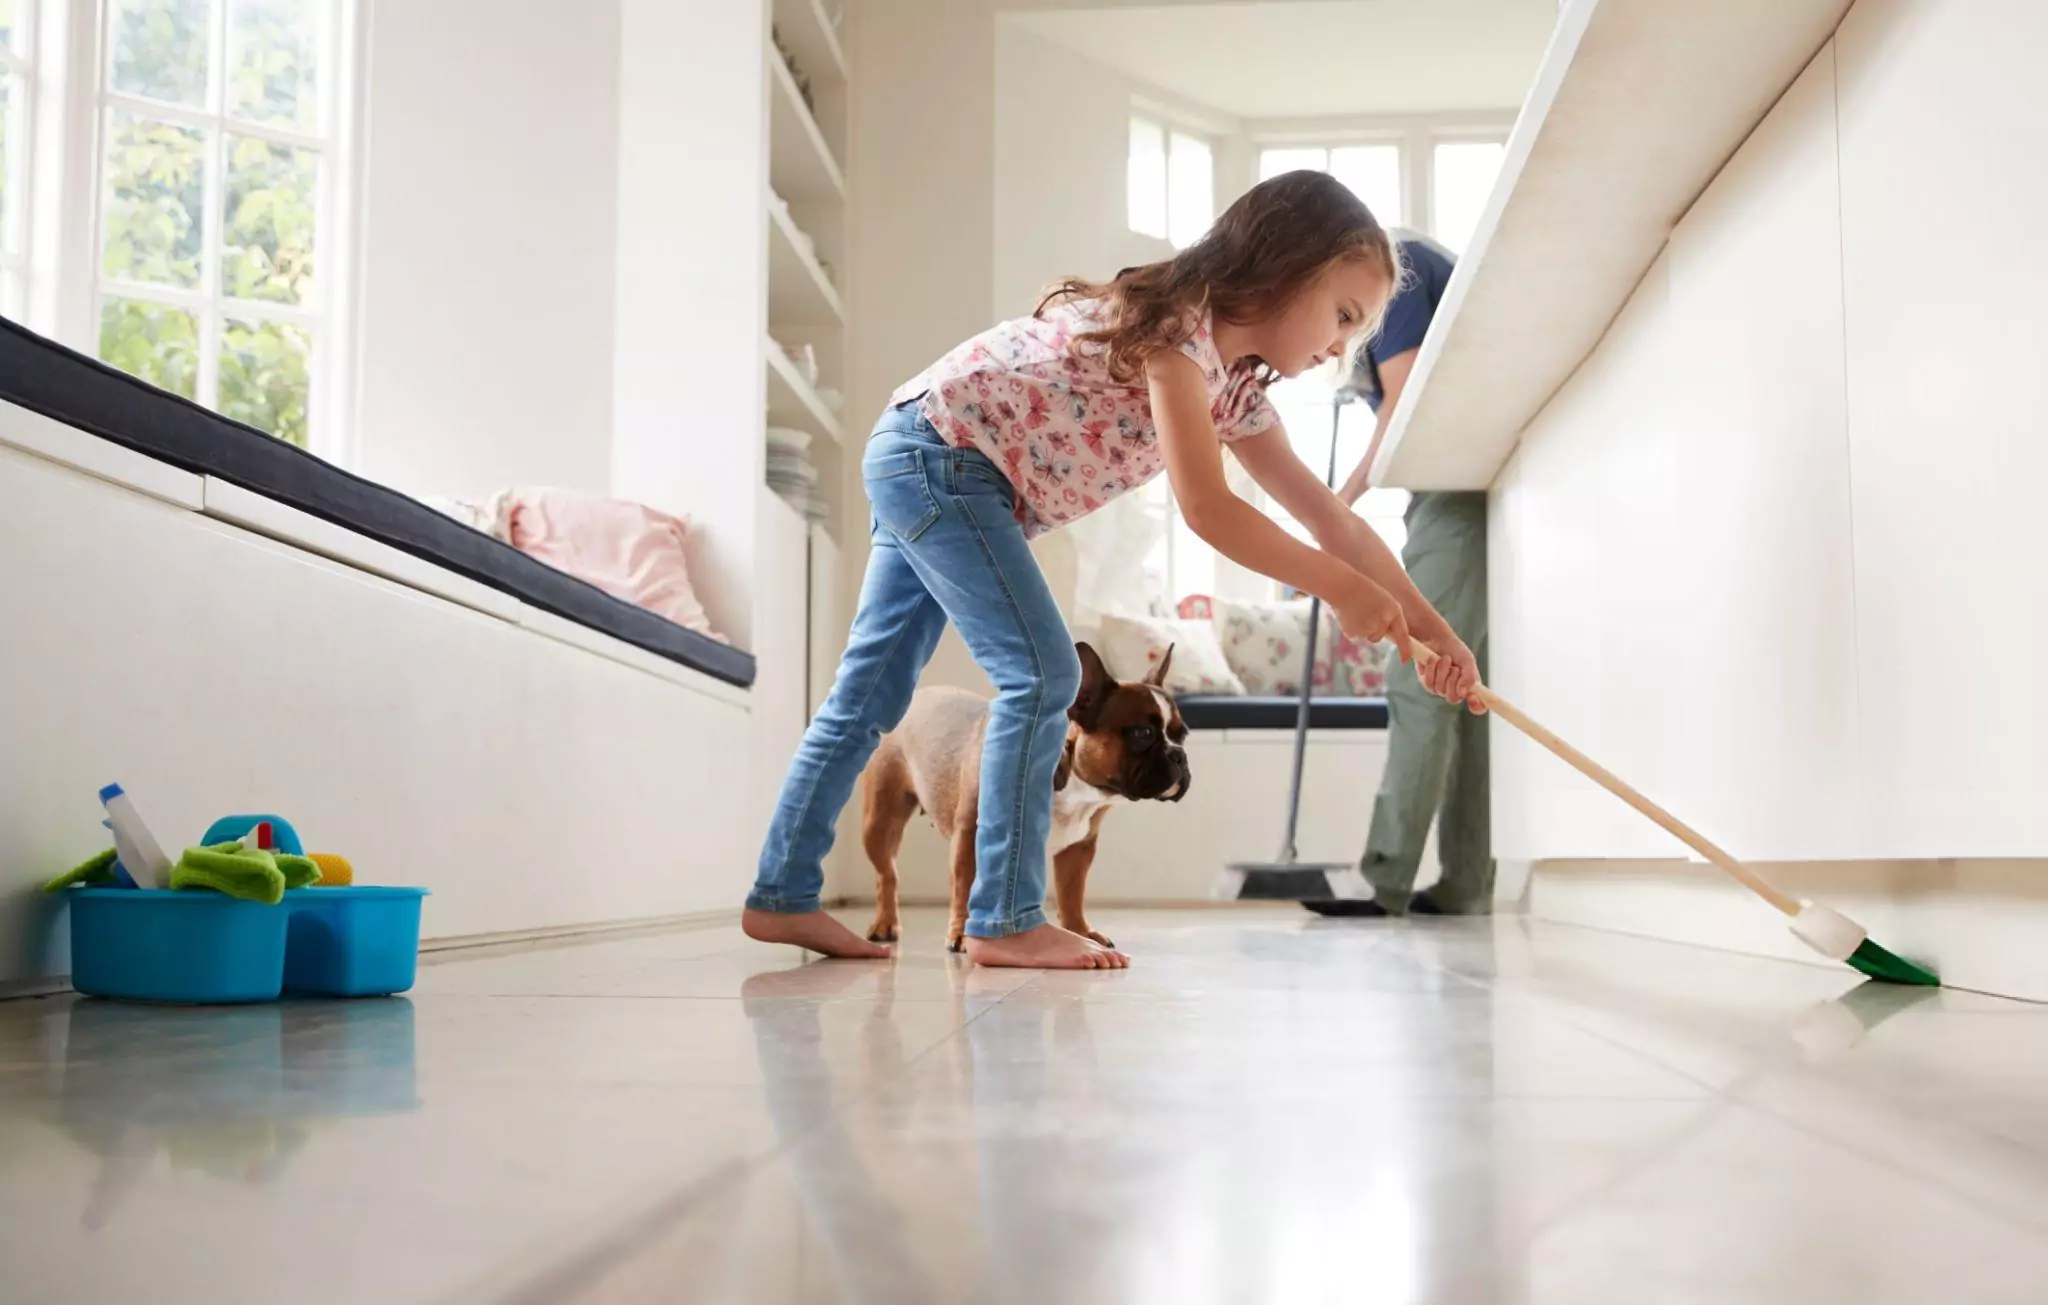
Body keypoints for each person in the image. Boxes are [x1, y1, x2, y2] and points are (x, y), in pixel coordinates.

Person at [743, 173, 1481, 970]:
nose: (1344, 347)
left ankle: (781, 892)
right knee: (1042, 675)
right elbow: (1208, 509)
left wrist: (1436, 634)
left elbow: (1336, 521)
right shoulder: (1176, 332)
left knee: (871, 692)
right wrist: (1340, 589)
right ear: (1287, 267)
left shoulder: (1234, 392)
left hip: (931, 458)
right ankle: (1003, 916)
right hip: (941, 457)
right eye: (1343, 314)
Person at [1314, 230, 1493, 918]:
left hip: (1456, 487)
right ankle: (1466, 882)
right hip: (1464, 483)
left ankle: (1383, 880)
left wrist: (1339, 505)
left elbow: (1402, 404)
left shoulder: (1400, 270)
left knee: (1422, 671)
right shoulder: (1402, 273)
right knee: (1470, 693)